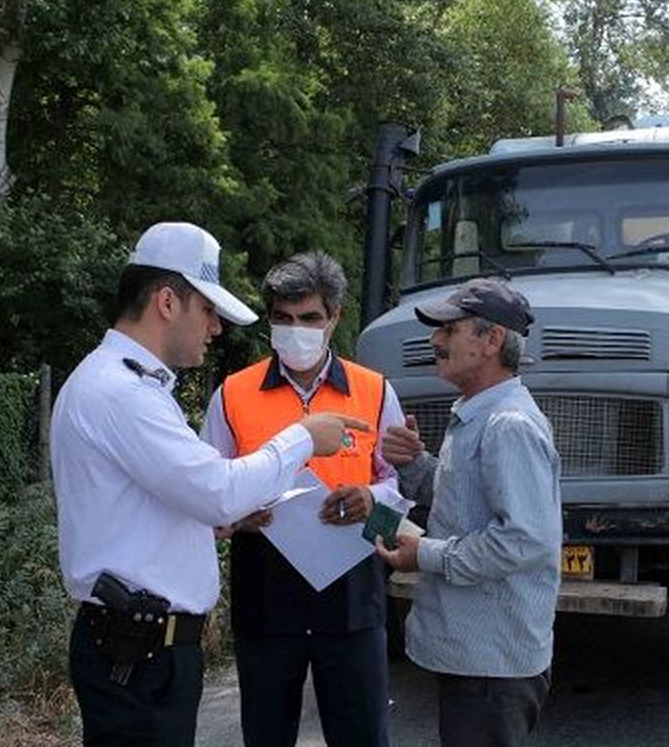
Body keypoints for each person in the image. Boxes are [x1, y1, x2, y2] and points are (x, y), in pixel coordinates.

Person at [50, 222, 368, 747]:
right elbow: (217, 487)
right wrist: (303, 439)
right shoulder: (122, 392)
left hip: (150, 648)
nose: (216, 329)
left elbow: (168, 506)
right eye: (208, 311)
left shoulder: (129, 385)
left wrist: (223, 523)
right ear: (168, 302)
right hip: (139, 650)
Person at [200, 251, 407, 747]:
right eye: (283, 319)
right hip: (266, 601)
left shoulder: (375, 392)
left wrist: (371, 500)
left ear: (334, 318)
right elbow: (208, 491)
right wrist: (237, 515)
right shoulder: (233, 394)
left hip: (354, 602)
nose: (296, 330)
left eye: (309, 318)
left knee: (361, 737)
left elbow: (399, 492)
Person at [376, 277, 562, 747]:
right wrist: (413, 464)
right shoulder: (476, 413)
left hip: (492, 667)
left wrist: (426, 554)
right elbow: (462, 502)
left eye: (450, 329)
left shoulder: (508, 425)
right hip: (477, 661)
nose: (436, 340)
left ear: (492, 340)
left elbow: (522, 540)